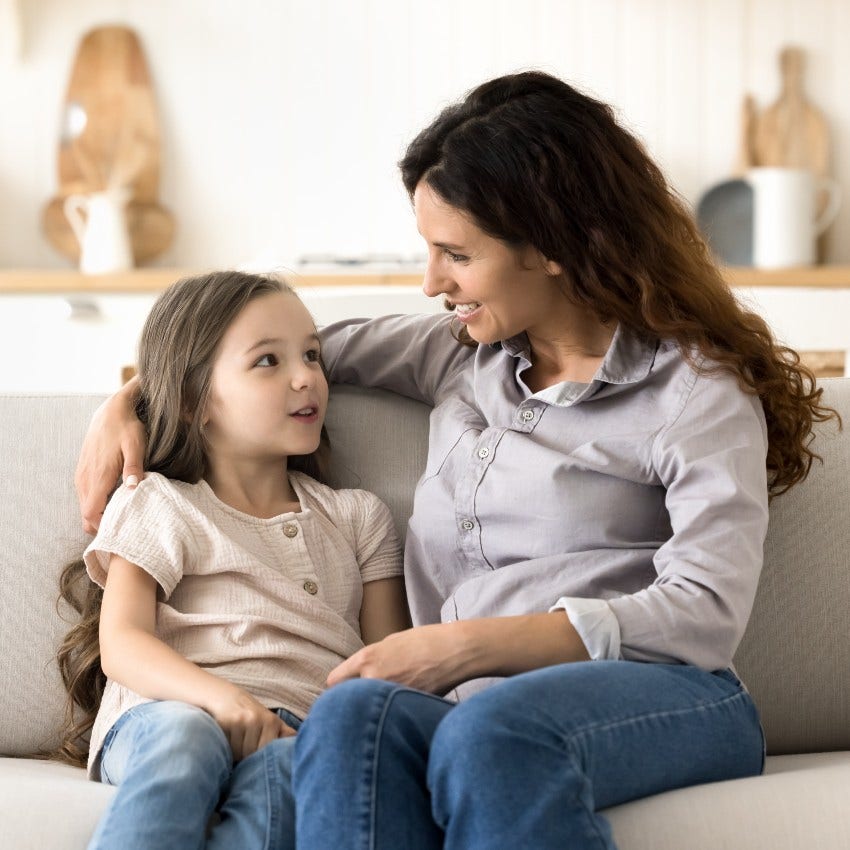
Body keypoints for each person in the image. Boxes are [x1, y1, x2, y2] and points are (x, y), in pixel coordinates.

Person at [74, 73, 839, 850]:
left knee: (494, 731)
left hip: (666, 694)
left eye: (455, 254)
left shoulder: (696, 390)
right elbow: (259, 358)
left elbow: (704, 612)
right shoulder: (460, 353)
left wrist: (467, 646)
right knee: (347, 716)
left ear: (550, 245)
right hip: (465, 703)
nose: (431, 283)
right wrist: (136, 397)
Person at [55, 270, 409, 850]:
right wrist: (221, 700)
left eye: (313, 355)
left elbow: (389, 666)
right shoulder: (160, 501)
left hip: (296, 733)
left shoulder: (357, 517)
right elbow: (122, 644)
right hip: (167, 713)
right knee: (186, 739)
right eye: (268, 361)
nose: (307, 378)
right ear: (196, 400)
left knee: (288, 781)